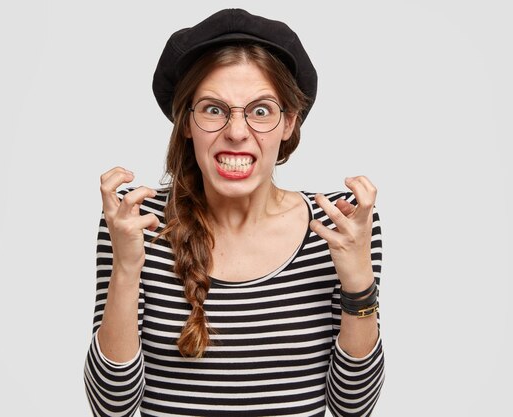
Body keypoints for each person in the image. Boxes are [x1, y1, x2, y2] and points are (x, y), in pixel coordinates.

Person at [84, 8, 384, 417]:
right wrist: (126, 268)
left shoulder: (339, 224)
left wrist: (358, 285)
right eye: (213, 109)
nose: (237, 132)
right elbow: (111, 406)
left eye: (261, 110)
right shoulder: (136, 222)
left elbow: (353, 407)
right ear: (186, 122)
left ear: (289, 123)